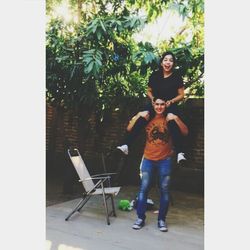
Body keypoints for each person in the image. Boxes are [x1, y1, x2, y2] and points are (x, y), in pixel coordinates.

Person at [130, 97, 188, 232]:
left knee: (164, 190)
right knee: (143, 189)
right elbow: (129, 128)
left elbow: (185, 132)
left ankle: (161, 220)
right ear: (153, 104)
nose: (159, 107)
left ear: (165, 106)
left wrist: (176, 119)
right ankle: (140, 218)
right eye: (157, 104)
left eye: (162, 104)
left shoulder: (170, 119)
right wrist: (138, 115)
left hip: (165, 160)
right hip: (148, 159)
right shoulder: (148, 118)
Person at [117, 51, 187, 164]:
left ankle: (180, 153)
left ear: (173, 64)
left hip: (169, 105)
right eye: (165, 60)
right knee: (143, 115)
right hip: (155, 104)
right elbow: (148, 91)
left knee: (171, 118)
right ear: (161, 62)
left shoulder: (177, 77)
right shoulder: (155, 75)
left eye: (171, 60)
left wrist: (172, 101)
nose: (168, 62)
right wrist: (153, 99)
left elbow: (181, 95)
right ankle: (126, 145)